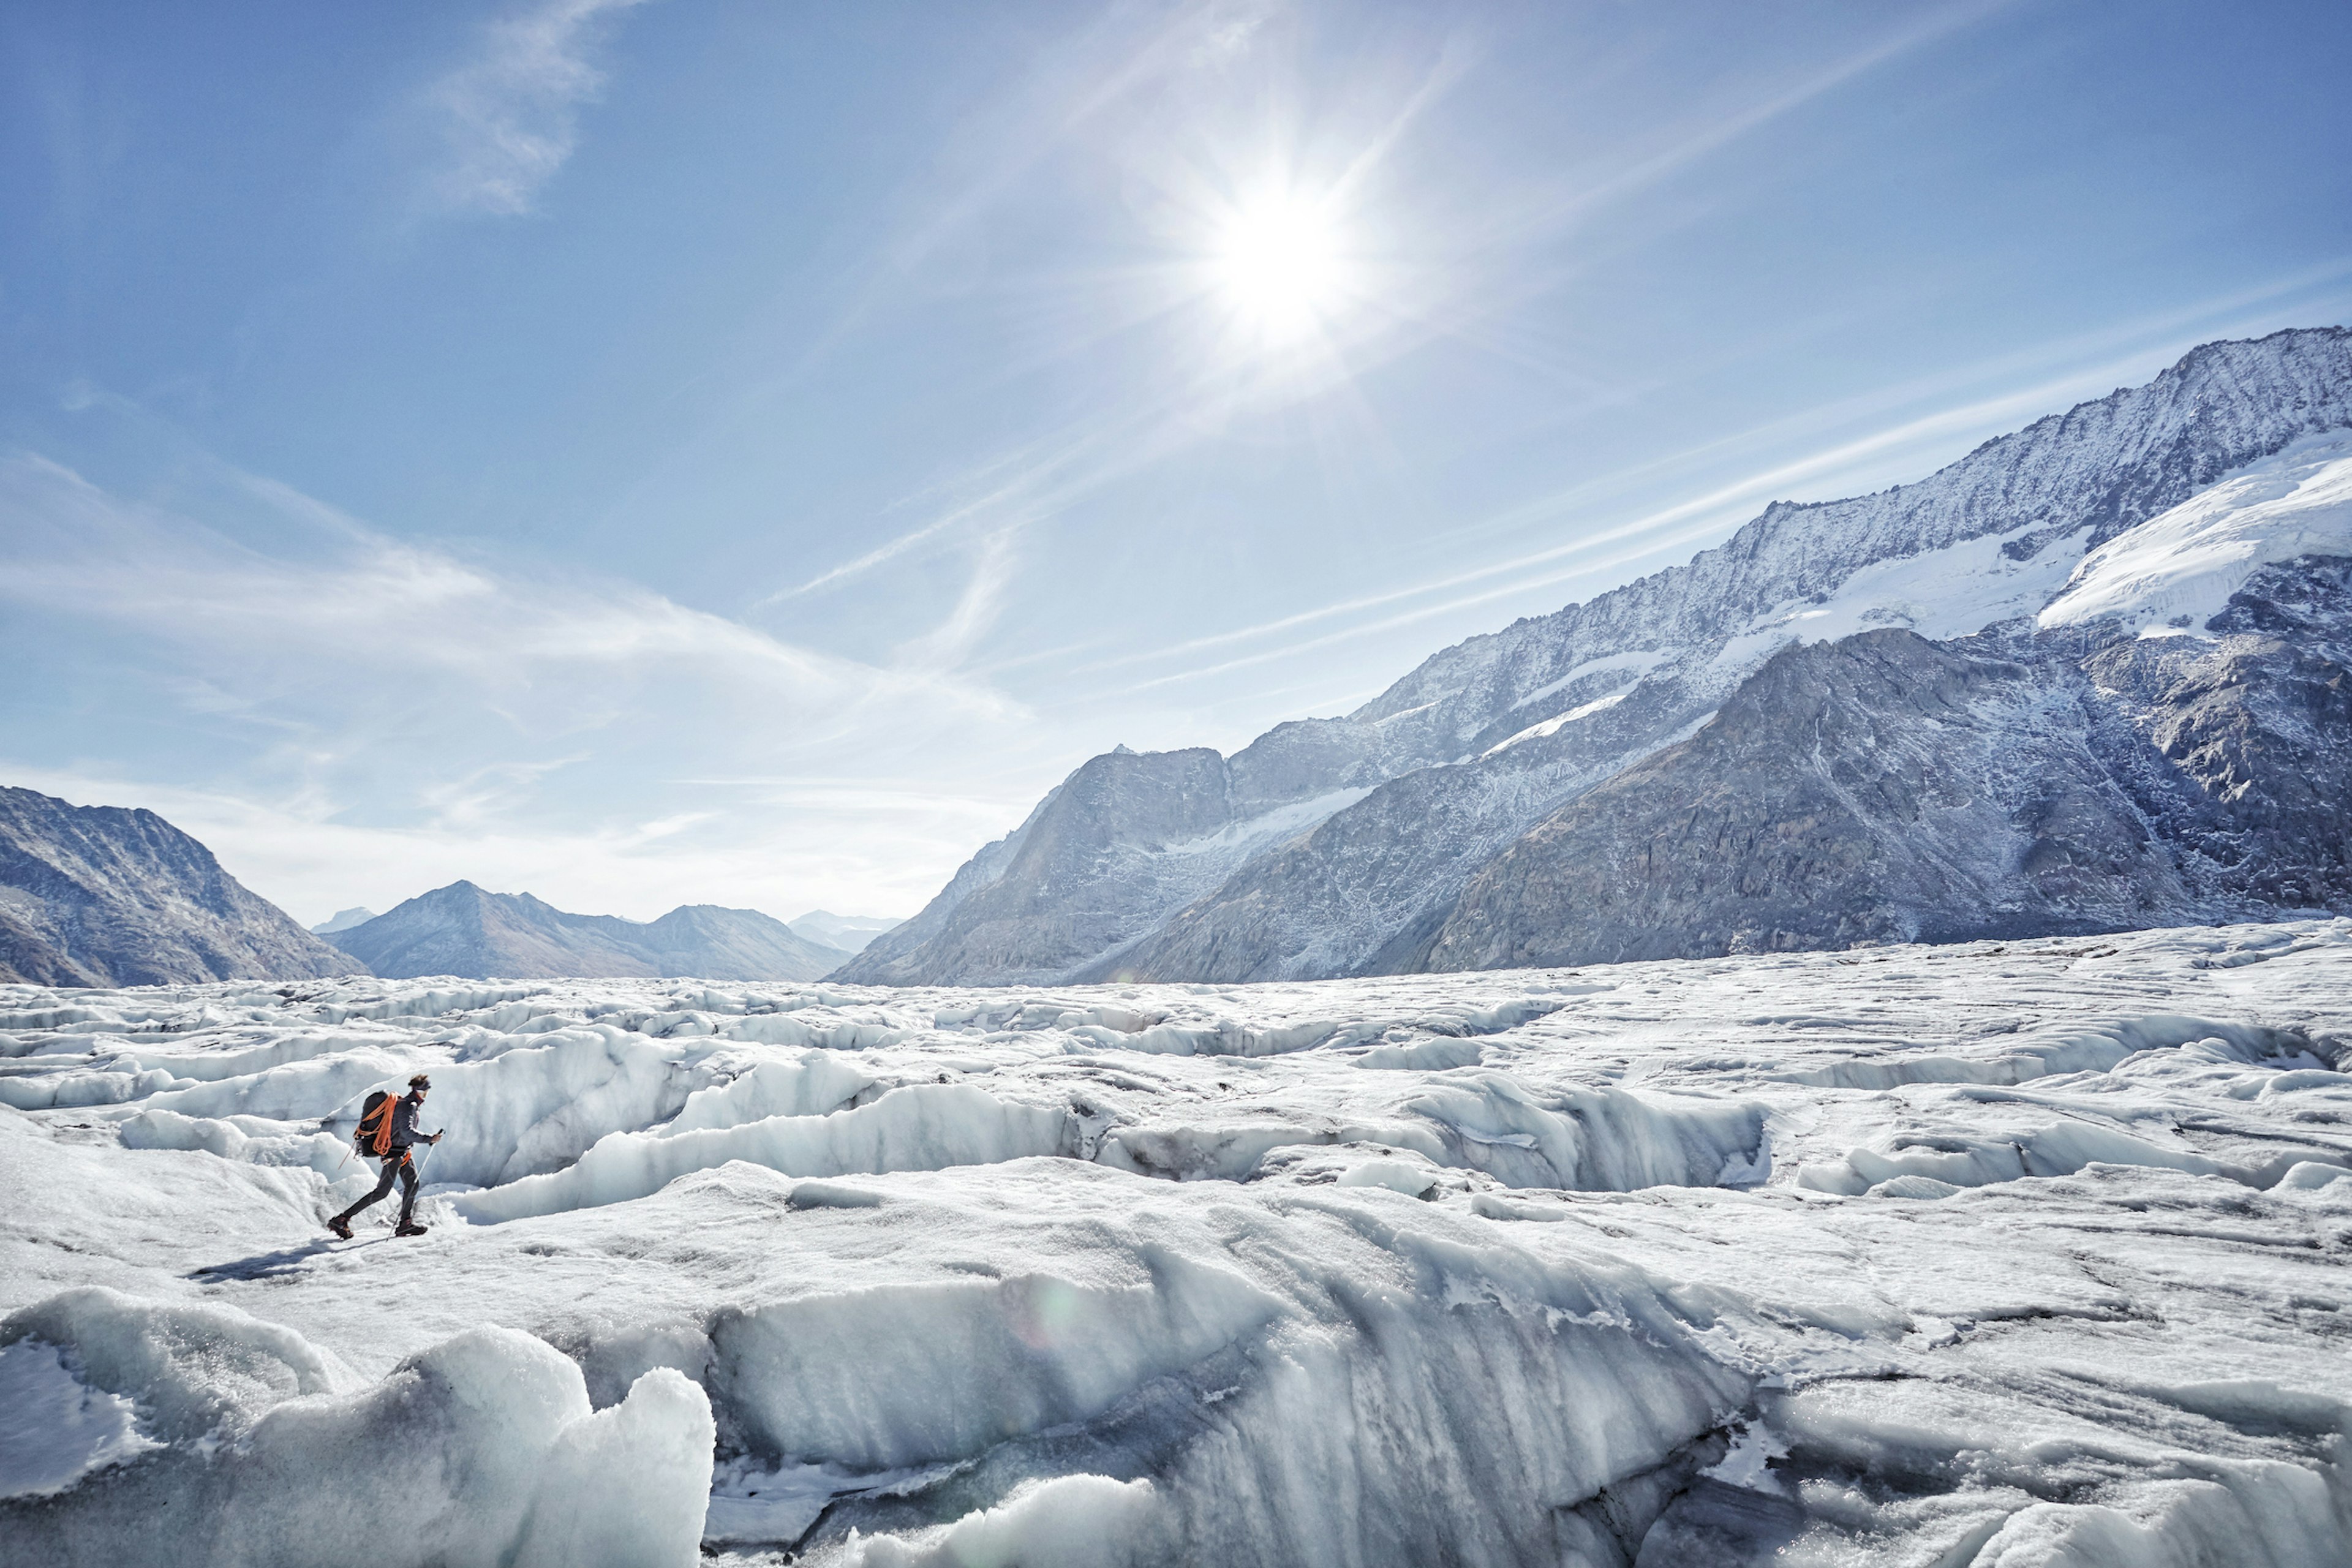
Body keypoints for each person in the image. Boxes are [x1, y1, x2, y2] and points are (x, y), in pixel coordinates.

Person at [330, 1073, 443, 1239]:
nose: (425, 1095)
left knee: (412, 1184)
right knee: (382, 1192)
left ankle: (405, 1224)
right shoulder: (408, 1105)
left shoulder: (408, 1104)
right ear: (419, 1091)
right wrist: (429, 1138)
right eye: (425, 1091)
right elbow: (406, 1131)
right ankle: (342, 1219)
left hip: (402, 1151)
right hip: (393, 1152)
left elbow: (403, 1132)